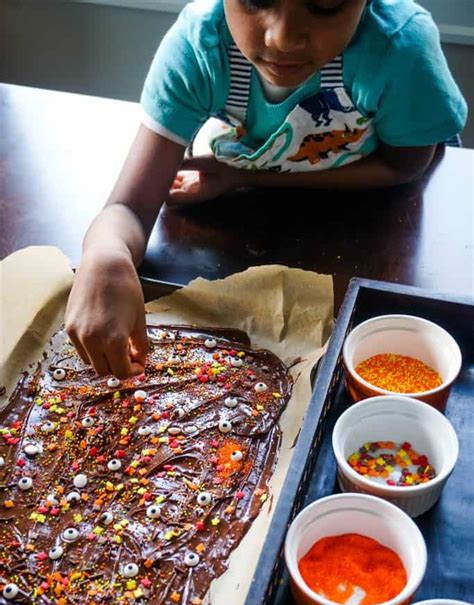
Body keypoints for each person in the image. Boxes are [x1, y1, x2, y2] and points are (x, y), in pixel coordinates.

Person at [65, 0, 467, 378]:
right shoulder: (201, 48)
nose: (282, 38)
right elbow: (130, 207)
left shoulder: (399, 48)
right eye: (257, 0)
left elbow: (404, 165)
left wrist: (246, 177)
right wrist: (106, 252)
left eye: (325, 6)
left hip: (378, 214)